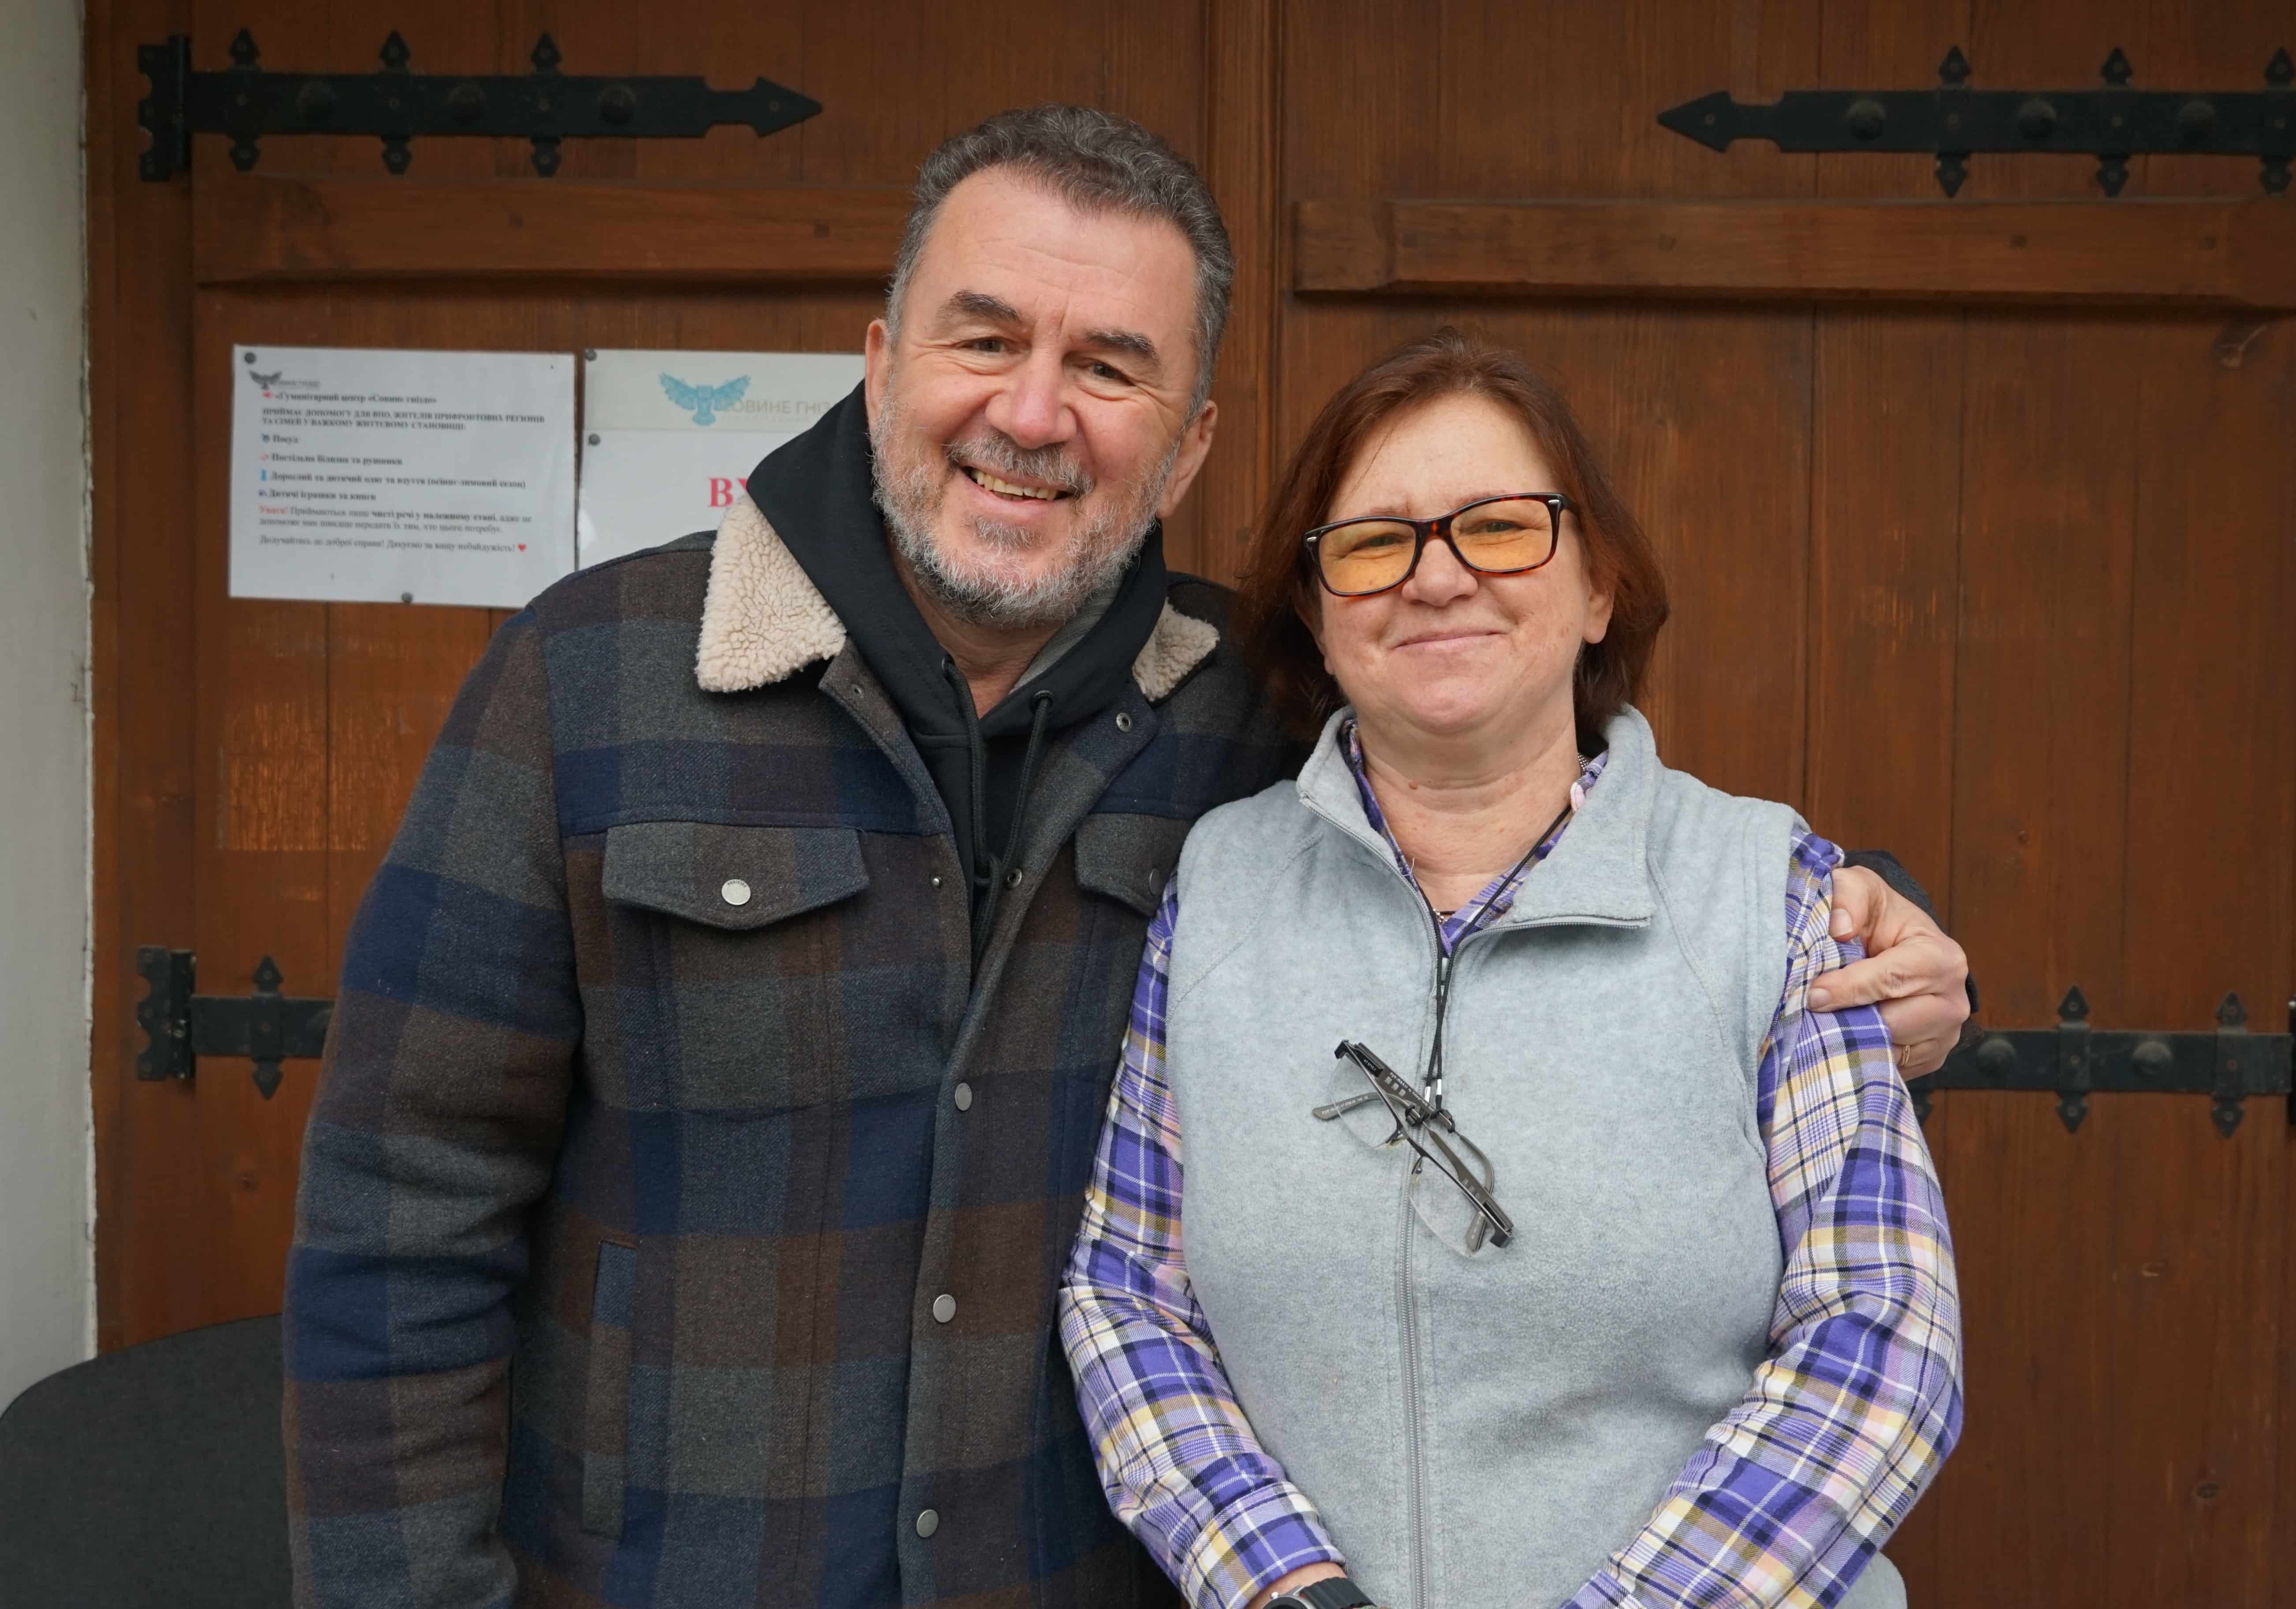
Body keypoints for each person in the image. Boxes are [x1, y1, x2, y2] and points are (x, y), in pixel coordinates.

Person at [282, 109, 1968, 1609]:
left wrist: (1848, 910)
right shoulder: (591, 680)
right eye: (983, 338)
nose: (1032, 412)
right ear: (877, 360)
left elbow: (1504, 771)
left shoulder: (1245, 713)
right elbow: (403, 1205)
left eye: (1108, 366)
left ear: (1190, 440)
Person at [1061, 332, 1963, 1609]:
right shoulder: (1218, 889)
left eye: (1498, 528)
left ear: (1599, 588)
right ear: (1316, 614)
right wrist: (1284, 1589)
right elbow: (1128, 1295)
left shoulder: (1774, 895)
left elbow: (1881, 1336)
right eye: (1373, 542)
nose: (1436, 578)